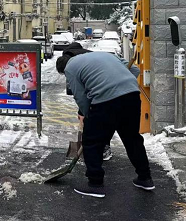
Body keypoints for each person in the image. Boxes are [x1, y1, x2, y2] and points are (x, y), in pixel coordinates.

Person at [56, 45, 154, 198]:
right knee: (132, 139)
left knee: (91, 141)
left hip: (106, 100)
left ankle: (95, 184)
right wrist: (119, 85)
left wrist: (87, 115)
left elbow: (80, 96)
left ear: (63, 67)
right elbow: (134, 70)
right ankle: (145, 178)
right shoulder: (105, 55)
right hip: (132, 95)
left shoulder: (70, 67)